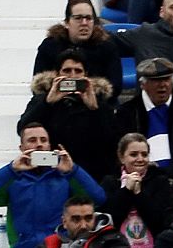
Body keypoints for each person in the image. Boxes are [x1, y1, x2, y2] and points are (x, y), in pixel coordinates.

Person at [0, 123, 104, 248]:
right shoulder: (13, 177)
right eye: (32, 140)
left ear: (49, 146)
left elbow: (98, 199)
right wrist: (11, 169)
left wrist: (72, 171)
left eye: (43, 140)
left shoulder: (65, 176)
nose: (39, 144)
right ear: (22, 148)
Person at [20, 49, 119, 183]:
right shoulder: (42, 101)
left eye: (78, 71)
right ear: (57, 74)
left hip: (90, 173)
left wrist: (95, 109)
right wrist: (47, 103)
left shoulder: (100, 104)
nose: (72, 75)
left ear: (86, 75)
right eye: (67, 71)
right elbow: (23, 129)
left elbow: (111, 140)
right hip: (51, 172)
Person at [114, 58, 173, 171]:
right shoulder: (126, 112)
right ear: (143, 84)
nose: (162, 85)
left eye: (166, 79)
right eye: (156, 80)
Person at [103, 133, 173, 248]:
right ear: (121, 157)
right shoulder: (110, 181)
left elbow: (159, 221)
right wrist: (126, 191)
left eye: (144, 154)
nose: (140, 159)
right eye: (134, 154)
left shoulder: (160, 181)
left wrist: (138, 194)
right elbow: (110, 219)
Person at [35, 0, 124, 100]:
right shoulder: (50, 45)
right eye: (78, 18)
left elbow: (115, 87)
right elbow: (38, 87)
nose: (84, 23)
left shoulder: (106, 46)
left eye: (88, 18)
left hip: (97, 106)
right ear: (67, 23)